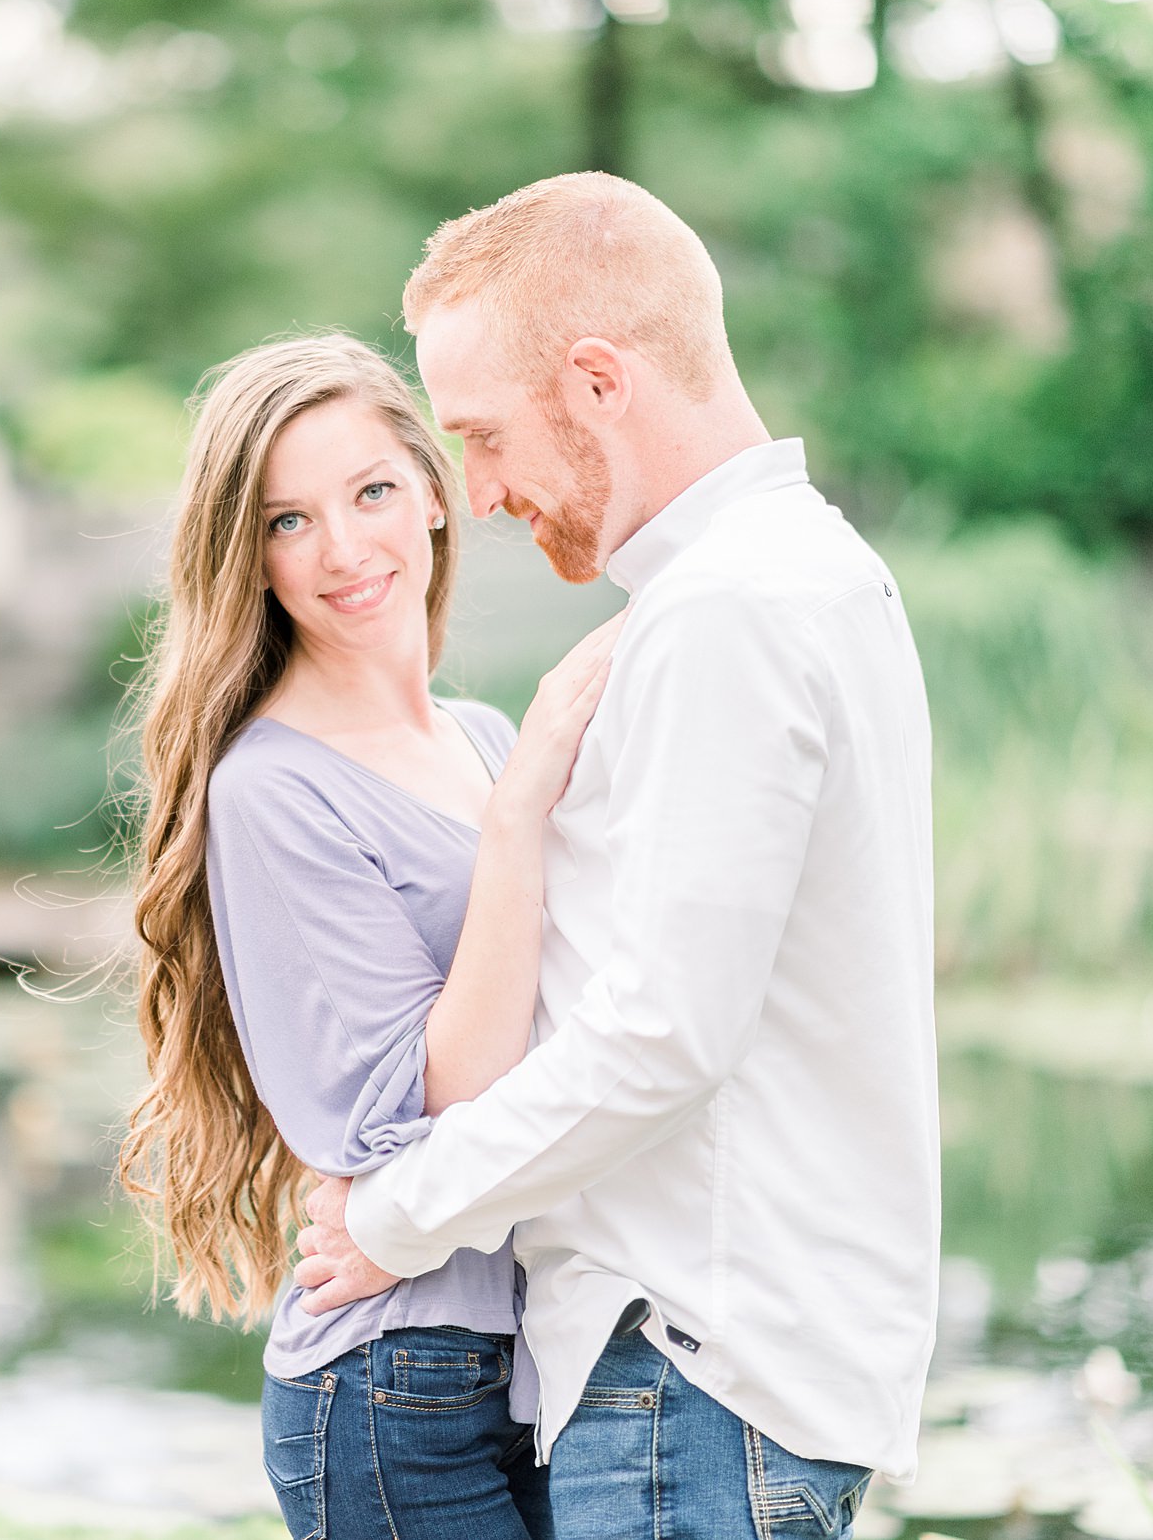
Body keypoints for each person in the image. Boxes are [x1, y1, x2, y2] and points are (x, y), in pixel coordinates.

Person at [291, 173, 940, 1540]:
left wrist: (394, 1216)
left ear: (596, 382)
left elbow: (660, 1032)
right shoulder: (815, 572)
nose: (473, 490)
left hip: (691, 1377)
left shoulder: (732, 610)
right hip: (731, 1371)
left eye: (481, 435)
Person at [118, 332, 618, 1540]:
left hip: (543, 1355)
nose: (343, 549)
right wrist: (522, 809)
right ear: (250, 560)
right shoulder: (274, 791)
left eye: (372, 492)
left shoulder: (486, 737)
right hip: (398, 1389)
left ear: (436, 500)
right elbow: (437, 1099)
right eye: (288, 522)